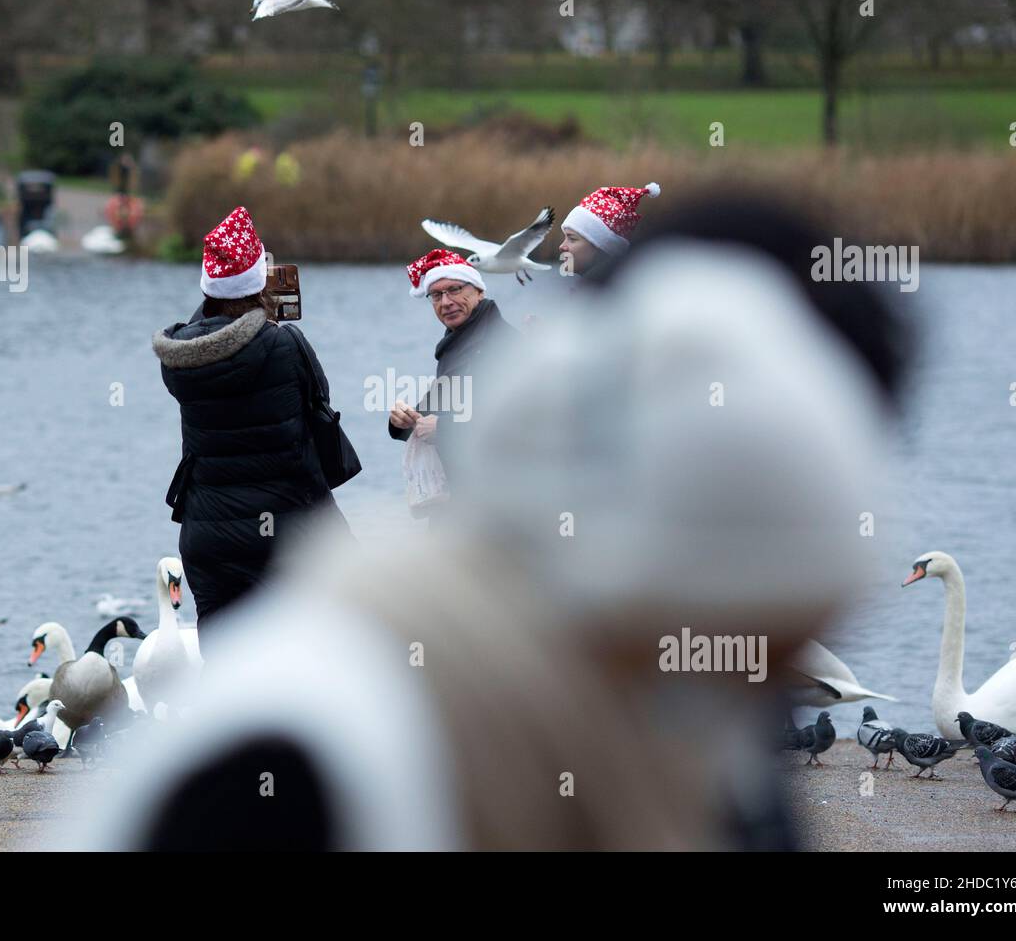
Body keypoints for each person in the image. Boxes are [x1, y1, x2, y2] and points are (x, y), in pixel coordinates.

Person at [67, 197, 909, 852]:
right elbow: (312, 425)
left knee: (233, 656)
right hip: (285, 529)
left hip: (212, 532)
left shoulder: (325, 664)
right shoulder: (701, 756)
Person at [152, 206, 349, 628]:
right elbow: (320, 403)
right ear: (258, 282)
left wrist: (229, 303)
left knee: (226, 666)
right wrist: (267, 320)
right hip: (285, 531)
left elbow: (209, 337)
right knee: (307, 650)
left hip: (209, 533)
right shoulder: (285, 345)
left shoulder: (178, 359)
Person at [386, 248, 516, 498]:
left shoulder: (503, 343)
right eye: (436, 295)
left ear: (479, 291)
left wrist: (445, 429)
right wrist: (401, 420)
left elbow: (521, 424)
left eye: (455, 289)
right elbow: (433, 412)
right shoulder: (456, 344)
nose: (446, 302)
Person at [559, 183, 659, 280]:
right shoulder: (594, 289)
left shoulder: (597, 294)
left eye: (572, 238)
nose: (562, 246)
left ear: (602, 247)